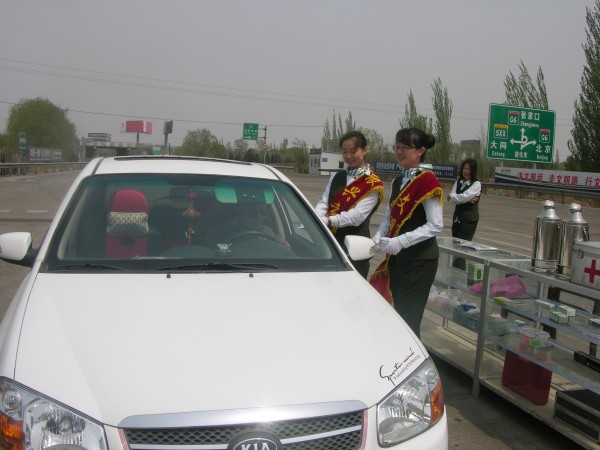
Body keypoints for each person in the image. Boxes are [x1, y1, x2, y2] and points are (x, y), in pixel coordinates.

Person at [369, 128, 443, 338]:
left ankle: (413, 356)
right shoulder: (398, 181)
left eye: (405, 147)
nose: (400, 152)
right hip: (398, 259)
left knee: (408, 320)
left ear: (420, 151)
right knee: (398, 315)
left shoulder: (427, 181)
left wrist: (401, 241)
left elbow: (435, 224)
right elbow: (389, 216)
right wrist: (380, 233)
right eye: (397, 147)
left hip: (419, 261)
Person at [315, 131, 384, 279]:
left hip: (355, 248)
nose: (348, 156)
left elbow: (357, 216)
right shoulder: (337, 176)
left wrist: (328, 220)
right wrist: (315, 216)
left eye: (353, 151)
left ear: (365, 150)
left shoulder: (372, 183)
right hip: (330, 243)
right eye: (345, 152)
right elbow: (324, 202)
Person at [447, 158, 481, 242]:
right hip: (457, 218)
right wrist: (466, 200)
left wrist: (453, 197)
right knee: (454, 244)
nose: (466, 171)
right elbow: (451, 200)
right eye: (464, 169)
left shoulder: (476, 184)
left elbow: (464, 197)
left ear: (473, 171)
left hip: (469, 220)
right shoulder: (458, 181)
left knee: (463, 246)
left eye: (469, 169)